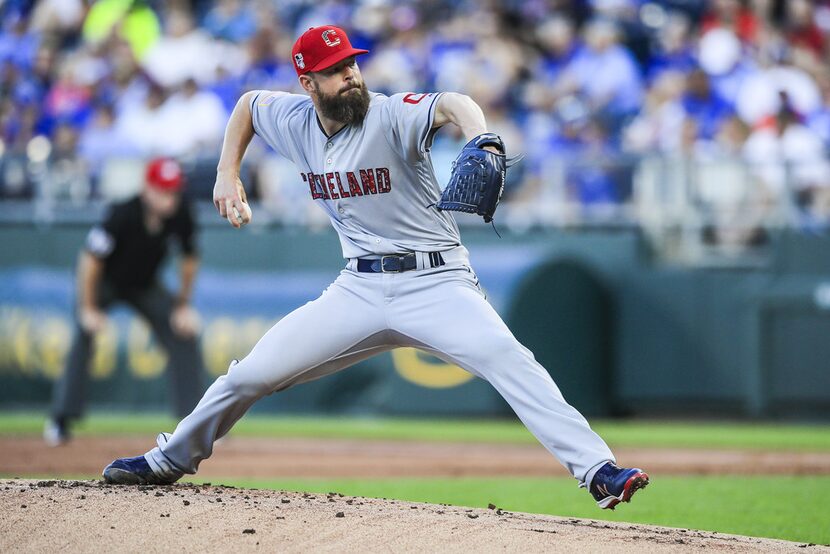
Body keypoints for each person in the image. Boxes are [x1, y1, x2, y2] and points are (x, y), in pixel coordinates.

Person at [102, 25, 649, 510]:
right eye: (334, 71)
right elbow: (246, 104)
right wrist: (228, 173)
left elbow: (452, 103)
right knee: (249, 374)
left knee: (512, 361)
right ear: (308, 84)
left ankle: (598, 471)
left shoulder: (388, 113)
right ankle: (169, 459)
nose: (350, 76)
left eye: (351, 64)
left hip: (436, 281)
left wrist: (480, 135)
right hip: (357, 290)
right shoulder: (294, 120)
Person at [45, 157, 204, 445]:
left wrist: (182, 306)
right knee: (84, 335)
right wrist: (88, 308)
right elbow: (90, 261)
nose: (170, 199)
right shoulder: (123, 213)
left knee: (184, 333)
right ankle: (60, 419)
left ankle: (195, 423)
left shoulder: (182, 213)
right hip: (104, 283)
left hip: (145, 285)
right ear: (148, 189)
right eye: (163, 190)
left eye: (174, 191)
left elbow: (190, 259)